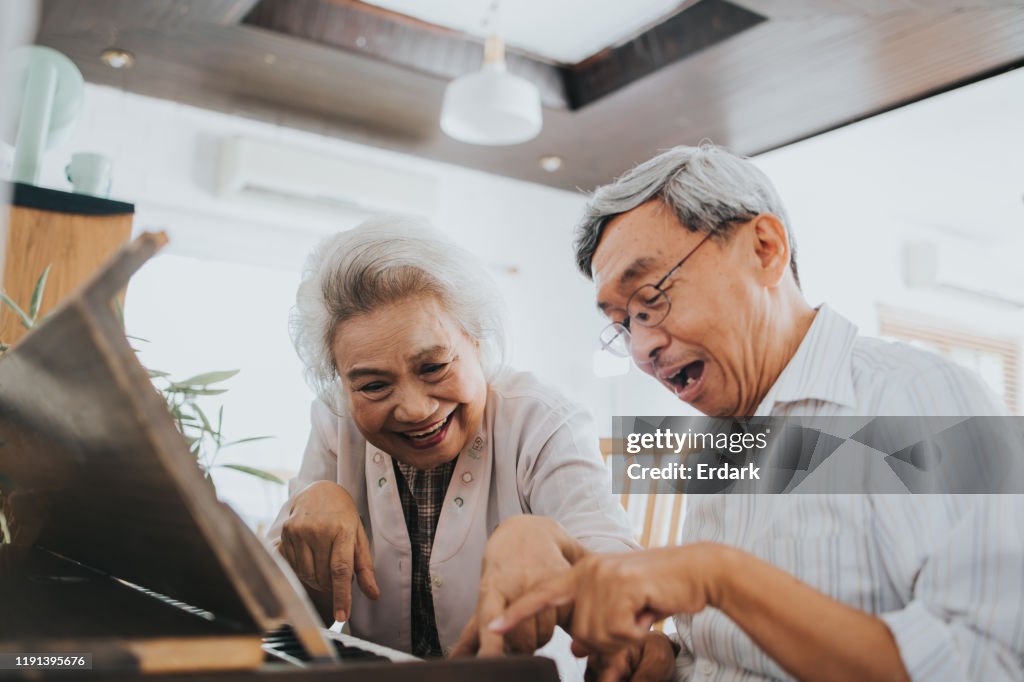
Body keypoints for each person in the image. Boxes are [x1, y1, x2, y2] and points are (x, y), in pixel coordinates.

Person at [472, 144, 1024, 681]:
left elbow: (989, 664)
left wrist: (719, 576)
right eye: (623, 323)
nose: (641, 350)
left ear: (764, 249)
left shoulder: (926, 401)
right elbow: (720, 655)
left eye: (651, 300)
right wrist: (663, 657)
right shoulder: (713, 442)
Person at [266, 216, 637, 669]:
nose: (415, 409)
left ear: (477, 340)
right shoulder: (334, 419)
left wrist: (547, 543)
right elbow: (286, 616)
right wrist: (313, 506)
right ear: (341, 383)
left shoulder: (544, 420)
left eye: (434, 367)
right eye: (373, 386)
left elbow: (626, 594)